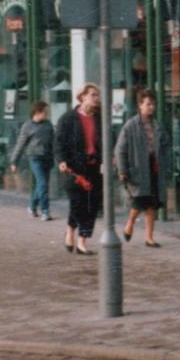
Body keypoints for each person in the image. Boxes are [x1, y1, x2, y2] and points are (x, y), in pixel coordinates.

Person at [114, 88, 171, 248]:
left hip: (155, 168)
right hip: (139, 169)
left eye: (153, 104)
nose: (151, 107)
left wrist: (167, 165)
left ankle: (149, 238)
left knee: (152, 203)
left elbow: (166, 147)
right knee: (139, 201)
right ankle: (130, 223)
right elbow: (120, 149)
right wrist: (123, 170)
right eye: (148, 104)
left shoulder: (157, 125)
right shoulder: (131, 125)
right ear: (140, 105)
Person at [55, 83, 103, 256]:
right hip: (74, 168)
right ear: (82, 96)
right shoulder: (69, 118)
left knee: (92, 204)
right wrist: (61, 160)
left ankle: (82, 241)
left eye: (97, 95)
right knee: (78, 203)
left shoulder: (100, 118)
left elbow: (106, 139)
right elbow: (59, 141)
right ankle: (70, 230)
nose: (96, 98)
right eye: (92, 95)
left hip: (93, 166)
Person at [9, 100, 56, 221]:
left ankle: (32, 206)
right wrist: (14, 161)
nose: (47, 114)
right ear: (37, 112)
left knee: (41, 185)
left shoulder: (48, 124)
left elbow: (54, 141)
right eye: (45, 111)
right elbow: (20, 144)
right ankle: (45, 211)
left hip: (47, 158)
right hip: (35, 158)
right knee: (43, 184)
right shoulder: (27, 126)